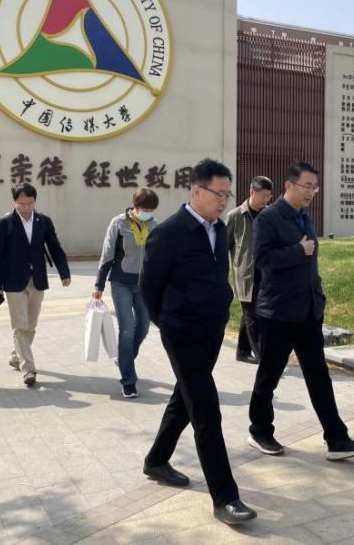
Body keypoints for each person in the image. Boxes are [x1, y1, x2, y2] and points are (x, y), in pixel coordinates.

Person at [140, 158, 257, 525]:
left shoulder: (218, 229)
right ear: (196, 191)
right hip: (181, 333)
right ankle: (226, 498)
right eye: (218, 194)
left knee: (185, 398)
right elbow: (148, 288)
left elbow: (217, 275)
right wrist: (167, 323)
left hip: (212, 330)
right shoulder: (168, 233)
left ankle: (156, 460)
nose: (224, 201)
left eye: (227, 195)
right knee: (206, 409)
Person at [248, 162, 354, 460]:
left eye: (315, 187)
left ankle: (337, 439)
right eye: (307, 186)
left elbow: (310, 263)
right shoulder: (268, 218)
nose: (312, 192)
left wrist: (318, 296)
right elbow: (262, 260)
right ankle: (260, 430)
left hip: (309, 311)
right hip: (278, 312)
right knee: (269, 376)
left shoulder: (305, 217)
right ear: (289, 185)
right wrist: (296, 251)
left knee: (319, 376)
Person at [0, 182, 71, 387]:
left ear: (35, 201)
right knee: (20, 326)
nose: (26, 207)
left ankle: (16, 356)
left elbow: (55, 247)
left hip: (38, 279)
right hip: (13, 281)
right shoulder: (4, 223)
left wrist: (64, 272)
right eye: (21, 203)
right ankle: (28, 369)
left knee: (31, 325)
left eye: (30, 203)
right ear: (14, 202)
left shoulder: (43, 221)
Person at [92, 187, 159, 398]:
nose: (148, 213)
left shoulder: (154, 226)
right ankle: (128, 380)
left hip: (144, 285)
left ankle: (125, 358)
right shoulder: (119, 223)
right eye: (145, 209)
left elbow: (159, 258)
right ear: (135, 206)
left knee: (144, 327)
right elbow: (107, 255)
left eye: (151, 210)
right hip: (121, 283)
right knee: (127, 328)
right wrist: (98, 285)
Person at [225, 175, 273, 364]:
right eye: (263, 195)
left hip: (267, 274)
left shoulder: (271, 215)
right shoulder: (235, 216)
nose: (266, 200)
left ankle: (242, 351)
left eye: (269, 196)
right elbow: (223, 247)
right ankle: (264, 359)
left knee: (251, 315)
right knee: (254, 317)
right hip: (245, 276)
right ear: (252, 192)